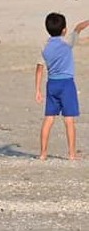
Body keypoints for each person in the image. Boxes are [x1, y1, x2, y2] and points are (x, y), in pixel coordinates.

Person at [35, 13, 89, 160]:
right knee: (69, 119)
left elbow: (39, 68)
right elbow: (79, 27)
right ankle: (72, 154)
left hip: (51, 84)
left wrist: (38, 90)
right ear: (64, 30)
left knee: (49, 119)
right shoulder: (67, 42)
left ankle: (43, 153)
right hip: (66, 84)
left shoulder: (45, 47)